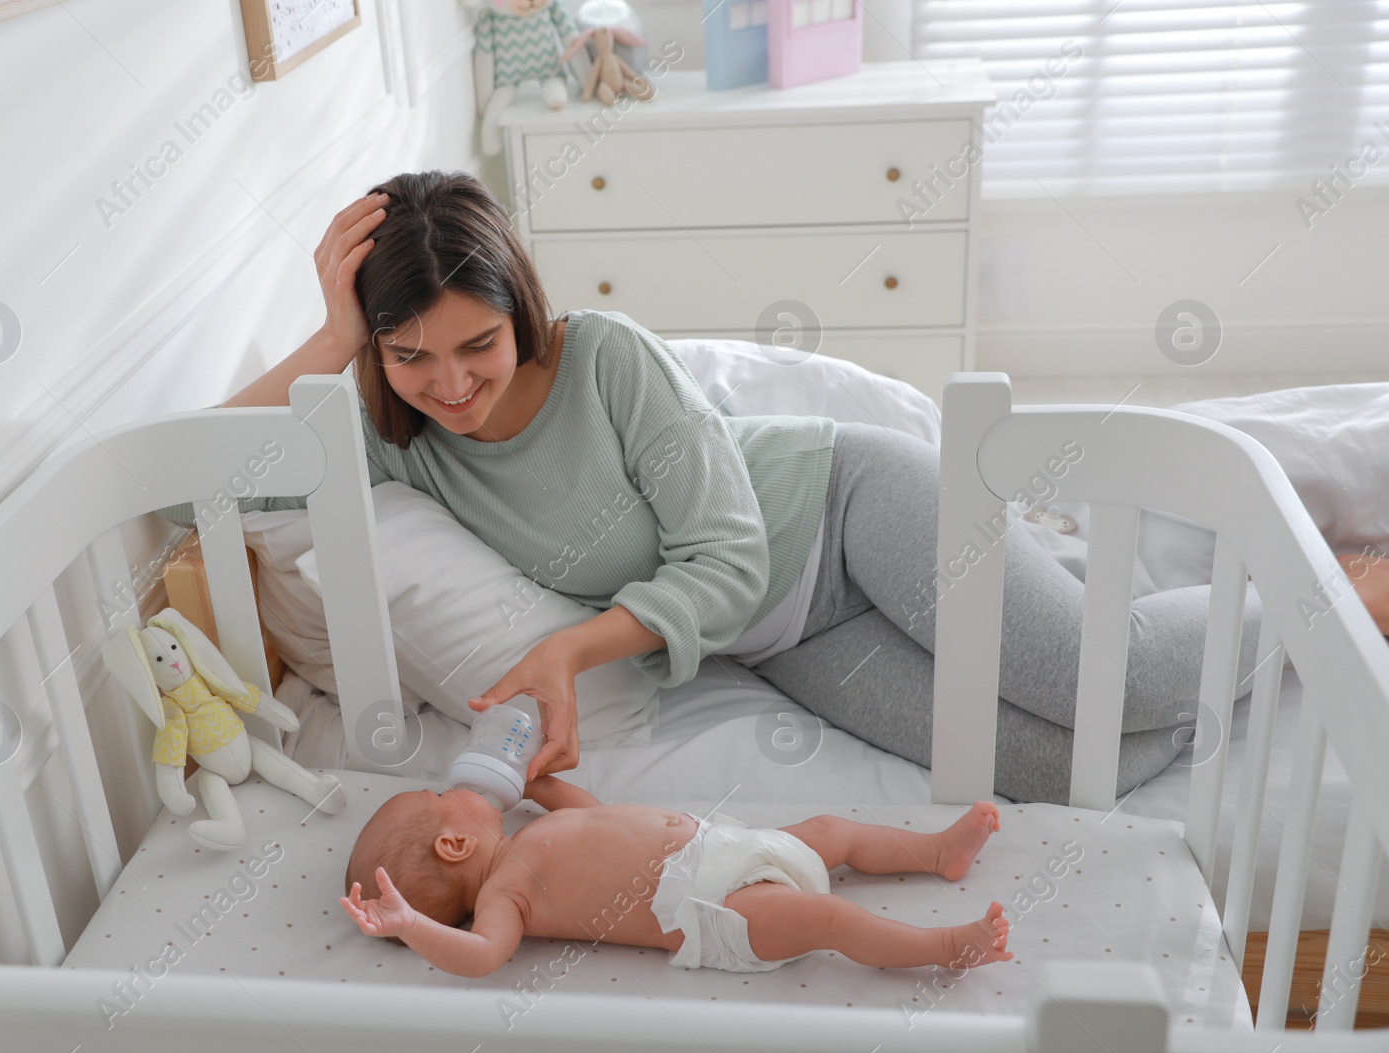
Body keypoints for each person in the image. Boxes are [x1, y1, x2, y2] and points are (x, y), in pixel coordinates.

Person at [159, 168, 1361, 804]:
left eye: (476, 345)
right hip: (770, 636)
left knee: (1110, 681)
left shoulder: (607, 360)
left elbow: (727, 556)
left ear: (521, 306)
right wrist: (329, 339)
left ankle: (1324, 585)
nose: (453, 384)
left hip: (839, 515)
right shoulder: (387, 424)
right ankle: (1123, 586)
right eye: (411, 355)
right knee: (1065, 769)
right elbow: (181, 493)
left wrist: (573, 654)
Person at [339, 775, 1012, 977]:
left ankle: (936, 852)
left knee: (833, 830)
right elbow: (484, 955)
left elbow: (599, 819)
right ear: (455, 842)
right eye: (435, 795)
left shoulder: (532, 832)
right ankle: (946, 948)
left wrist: (541, 781)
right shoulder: (503, 896)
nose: (447, 785)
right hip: (712, 909)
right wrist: (414, 924)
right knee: (827, 921)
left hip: (731, 848)